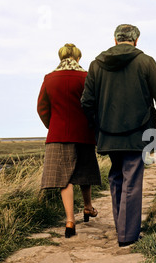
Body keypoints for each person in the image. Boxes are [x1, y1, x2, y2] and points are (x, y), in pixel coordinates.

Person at [81, 24, 156, 247]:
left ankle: (122, 229)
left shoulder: (96, 65)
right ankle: (127, 236)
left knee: (116, 178)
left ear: (115, 40)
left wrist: (98, 126)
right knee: (132, 178)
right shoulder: (145, 62)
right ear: (136, 40)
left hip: (108, 134)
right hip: (139, 133)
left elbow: (86, 102)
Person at [38, 43, 101, 238]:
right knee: (84, 172)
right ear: (78, 58)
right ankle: (88, 207)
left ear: (61, 57)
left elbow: (42, 108)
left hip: (59, 135)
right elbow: (94, 105)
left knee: (65, 178)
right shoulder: (86, 77)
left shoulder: (49, 79)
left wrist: (53, 126)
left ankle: (70, 221)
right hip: (83, 133)